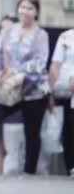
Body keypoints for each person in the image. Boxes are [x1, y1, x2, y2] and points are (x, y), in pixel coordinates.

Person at [0, 0, 49, 175]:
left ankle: (29, 172)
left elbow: (40, 63)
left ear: (36, 12)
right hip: (7, 90)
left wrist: (16, 73)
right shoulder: (7, 32)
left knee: (32, 132)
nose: (25, 11)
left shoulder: (41, 35)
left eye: (30, 8)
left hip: (32, 91)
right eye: (22, 7)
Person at [49, 28, 74, 176]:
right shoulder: (66, 37)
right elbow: (55, 64)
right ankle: (70, 167)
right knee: (69, 129)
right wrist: (53, 89)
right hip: (65, 89)